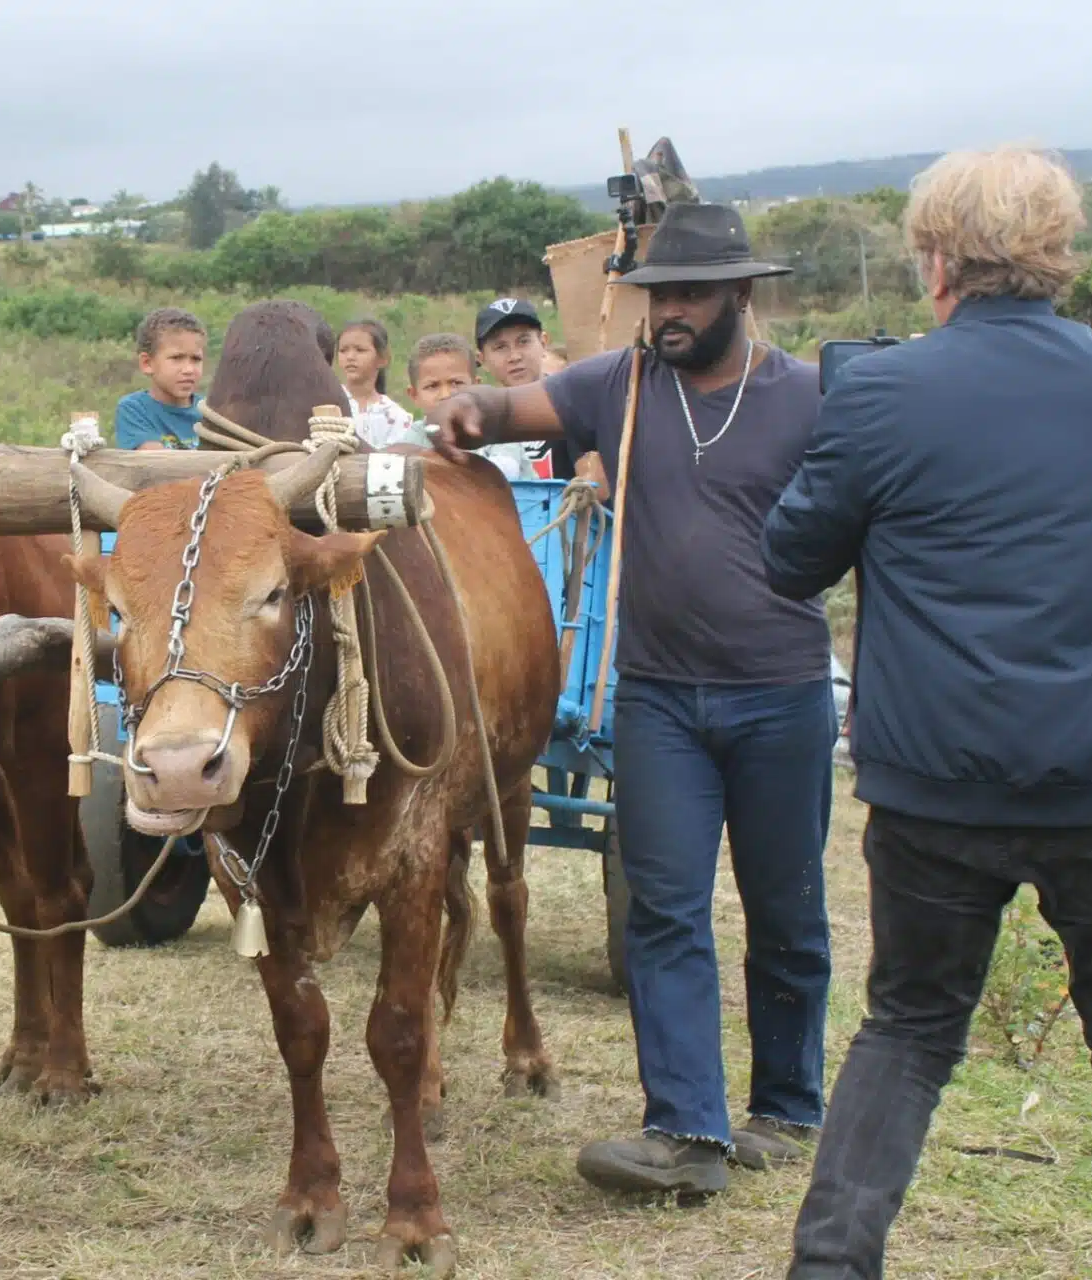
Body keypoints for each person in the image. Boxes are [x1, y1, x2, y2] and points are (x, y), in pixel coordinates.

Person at [426, 202, 836, 1196]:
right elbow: (509, 411)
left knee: (785, 908)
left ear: (743, 293)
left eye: (692, 294)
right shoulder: (624, 384)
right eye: (658, 296)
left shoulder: (813, 396)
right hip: (658, 697)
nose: (671, 313)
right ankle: (686, 1132)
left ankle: (784, 1105)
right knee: (663, 907)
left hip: (782, 693)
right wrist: (466, 415)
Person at [763, 147, 1092, 1278]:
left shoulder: (878, 392)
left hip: (932, 781)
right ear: (1062, 252)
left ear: (934, 260)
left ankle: (831, 1264)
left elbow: (790, 562)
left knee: (909, 1031)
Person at [474, 297, 603, 484]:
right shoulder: (476, 419)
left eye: (523, 341)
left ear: (543, 342)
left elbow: (595, 491)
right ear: (482, 359)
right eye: (500, 347)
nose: (515, 356)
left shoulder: (573, 404)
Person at [406, 332, 530, 473]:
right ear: (414, 395)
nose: (445, 395)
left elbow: (507, 471)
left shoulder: (496, 427)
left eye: (456, 383)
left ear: (476, 388)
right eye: (432, 386)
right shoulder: (415, 435)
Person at [114, 307, 207, 450]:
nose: (189, 370)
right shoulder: (135, 410)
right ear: (147, 363)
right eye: (177, 358)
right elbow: (156, 463)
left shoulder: (210, 414)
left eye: (196, 359)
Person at [337, 318, 424, 448]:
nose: (350, 357)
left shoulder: (397, 417)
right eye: (343, 350)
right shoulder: (327, 403)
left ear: (383, 358)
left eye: (360, 350)